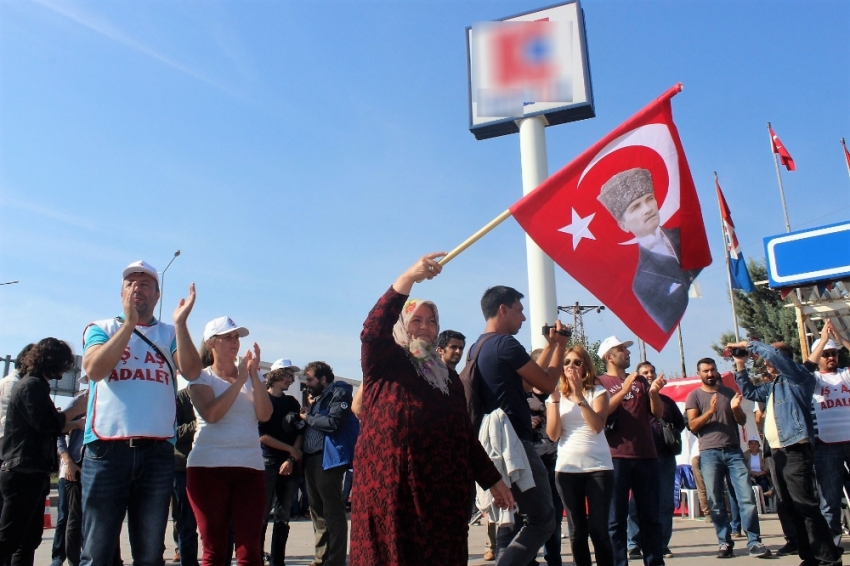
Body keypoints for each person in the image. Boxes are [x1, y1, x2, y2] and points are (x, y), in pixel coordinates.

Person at [349, 254, 512, 566]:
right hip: (395, 492)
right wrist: (408, 277)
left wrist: (492, 479)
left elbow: (463, 436)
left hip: (443, 496)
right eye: (417, 320)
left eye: (432, 320)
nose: (426, 327)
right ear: (403, 323)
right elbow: (372, 329)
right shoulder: (386, 361)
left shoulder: (447, 377)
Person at [80, 260, 202, 566]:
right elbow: (95, 369)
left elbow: (191, 369)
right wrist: (129, 326)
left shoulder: (169, 333)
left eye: (146, 283)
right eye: (131, 283)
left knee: (149, 553)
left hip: (157, 453)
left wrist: (182, 324)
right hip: (106, 451)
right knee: (97, 551)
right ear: (121, 292)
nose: (138, 288)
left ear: (157, 295)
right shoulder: (101, 328)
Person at [472, 285, 568, 564]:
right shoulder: (505, 344)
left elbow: (527, 383)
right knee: (543, 518)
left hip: (496, 443)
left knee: (516, 518)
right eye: (519, 310)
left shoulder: (478, 347)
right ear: (503, 309)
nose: (523, 318)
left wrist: (549, 345)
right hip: (515, 442)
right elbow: (547, 384)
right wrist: (561, 346)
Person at [729, 332, 843, 566]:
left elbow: (771, 353)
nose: (767, 362)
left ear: (784, 360)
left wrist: (748, 344)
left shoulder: (798, 378)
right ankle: (809, 556)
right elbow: (750, 392)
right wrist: (740, 364)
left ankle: (828, 558)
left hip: (795, 450)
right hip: (777, 453)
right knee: (790, 507)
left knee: (806, 506)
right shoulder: (774, 386)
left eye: (772, 358)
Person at [187, 316, 272, 566]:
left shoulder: (253, 377)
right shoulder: (201, 378)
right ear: (211, 343)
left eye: (237, 337)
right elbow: (212, 414)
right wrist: (240, 381)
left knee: (250, 550)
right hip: (207, 468)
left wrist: (253, 376)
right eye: (228, 336)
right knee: (214, 549)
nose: (235, 341)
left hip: (250, 468)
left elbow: (265, 415)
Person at [0, 338, 88, 564]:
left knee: (27, 539)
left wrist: (73, 424)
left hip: (32, 470)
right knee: (10, 538)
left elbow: (47, 426)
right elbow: (46, 424)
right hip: (23, 470)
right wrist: (75, 411)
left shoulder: (36, 385)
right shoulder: (32, 386)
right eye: (64, 363)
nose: (66, 368)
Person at [596, 168, 700, 332]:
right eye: (635, 207)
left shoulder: (688, 236)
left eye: (649, 199)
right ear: (623, 225)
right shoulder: (643, 283)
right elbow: (668, 324)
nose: (647, 209)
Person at [685, 358, 769, 559]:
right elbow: (693, 425)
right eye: (706, 370)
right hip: (709, 453)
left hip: (733, 451)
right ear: (699, 374)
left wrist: (736, 409)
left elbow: (741, 421)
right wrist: (711, 412)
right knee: (715, 500)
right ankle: (724, 542)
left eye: (713, 369)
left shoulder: (729, 393)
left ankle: (754, 541)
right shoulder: (694, 396)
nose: (710, 373)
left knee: (746, 496)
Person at [596, 336, 666, 566]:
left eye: (626, 349)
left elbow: (657, 413)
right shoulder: (599, 382)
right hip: (616, 457)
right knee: (615, 519)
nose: (627, 352)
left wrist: (654, 394)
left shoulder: (640, 382)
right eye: (621, 349)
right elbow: (602, 413)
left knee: (650, 517)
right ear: (609, 356)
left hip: (646, 454)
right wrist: (624, 387)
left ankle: (654, 561)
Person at [545, 345, 613, 566]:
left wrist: (579, 397)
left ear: (586, 367)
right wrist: (555, 401)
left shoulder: (598, 392)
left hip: (598, 468)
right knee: (576, 530)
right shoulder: (556, 396)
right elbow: (553, 435)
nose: (571, 367)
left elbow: (596, 426)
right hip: (567, 469)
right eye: (566, 363)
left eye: (576, 362)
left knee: (598, 529)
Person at [299, 361, 358, 566]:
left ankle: (335, 560)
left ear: (323, 379)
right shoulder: (319, 399)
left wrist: (309, 418)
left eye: (310, 379)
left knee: (332, 512)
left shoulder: (339, 393)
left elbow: (333, 423)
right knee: (317, 512)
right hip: (312, 458)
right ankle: (320, 558)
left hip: (328, 459)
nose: (307, 383)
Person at [626, 362, 685, 559]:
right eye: (645, 373)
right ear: (638, 377)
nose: (650, 375)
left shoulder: (667, 402)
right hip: (640, 457)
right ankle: (634, 543)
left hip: (664, 458)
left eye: (652, 371)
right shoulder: (633, 400)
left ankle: (661, 544)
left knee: (664, 502)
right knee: (635, 503)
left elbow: (679, 424)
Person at [259, 359, 304, 566]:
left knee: (283, 515)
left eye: (292, 376)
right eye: (287, 375)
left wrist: (291, 458)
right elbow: (262, 436)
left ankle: (278, 560)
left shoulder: (292, 402)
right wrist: (290, 450)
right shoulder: (262, 401)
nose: (291, 380)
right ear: (276, 375)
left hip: (289, 464)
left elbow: (300, 431)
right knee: (261, 513)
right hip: (267, 462)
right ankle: (255, 556)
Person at [810, 320, 850, 545]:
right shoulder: (813, 379)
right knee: (829, 500)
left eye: (834, 353)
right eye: (826, 354)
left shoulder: (846, 375)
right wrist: (822, 341)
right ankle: (831, 546)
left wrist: (839, 337)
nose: (831, 357)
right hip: (826, 446)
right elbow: (804, 368)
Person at [53, 406, 86, 566]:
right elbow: (57, 430)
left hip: (100, 463)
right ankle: (62, 557)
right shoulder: (79, 402)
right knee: (68, 516)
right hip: (75, 465)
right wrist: (68, 462)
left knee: (97, 516)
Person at [174, 386, 199, 566]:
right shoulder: (181, 398)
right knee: (186, 520)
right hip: (184, 466)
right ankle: (188, 559)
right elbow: (172, 432)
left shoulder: (212, 394)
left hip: (210, 463)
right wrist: (197, 424)